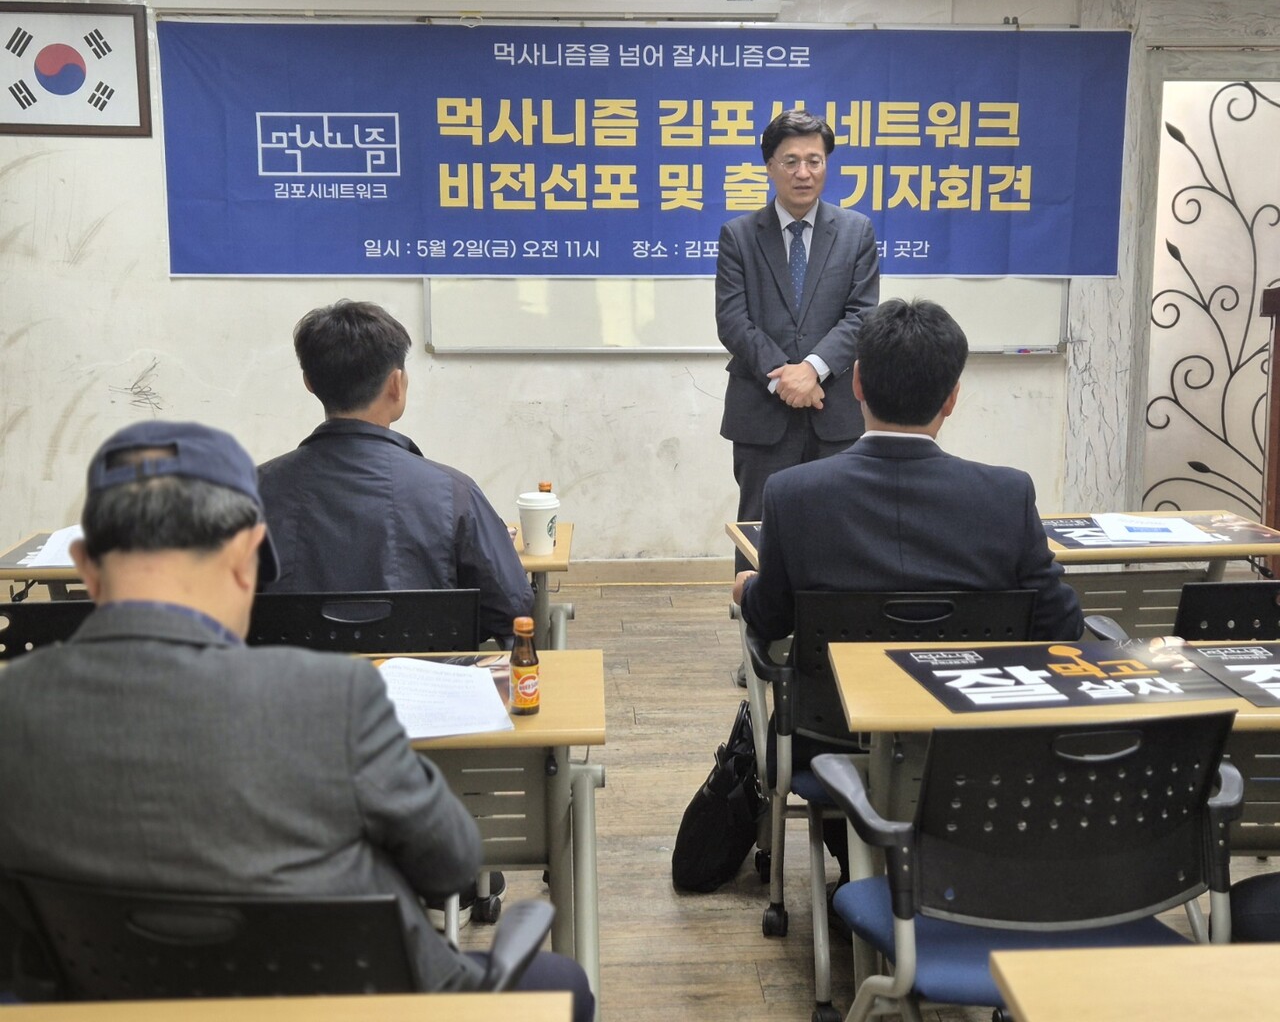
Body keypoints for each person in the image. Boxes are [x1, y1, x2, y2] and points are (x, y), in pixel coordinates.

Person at [0, 421, 593, 1021]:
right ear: (247, 557)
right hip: (361, 1006)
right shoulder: (334, 701)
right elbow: (452, 862)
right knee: (559, 982)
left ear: (84, 566)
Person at [732, 297, 1083, 891]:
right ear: (952, 397)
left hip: (833, 738)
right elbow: (1063, 626)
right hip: (976, 740)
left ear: (856, 384)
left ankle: (864, 878)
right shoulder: (1006, 496)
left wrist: (749, 591)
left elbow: (769, 621)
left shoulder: (793, 495)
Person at [258, 299, 533, 645]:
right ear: (395, 384)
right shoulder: (453, 494)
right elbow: (513, 609)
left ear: (309, 382)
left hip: (292, 680)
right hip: (425, 679)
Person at [716, 108, 881, 572]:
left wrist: (812, 369)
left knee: (840, 533)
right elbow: (732, 321)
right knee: (761, 536)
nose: (803, 172)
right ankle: (755, 617)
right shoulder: (738, 236)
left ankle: (832, 620)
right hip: (762, 414)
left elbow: (863, 315)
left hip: (835, 413)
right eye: (790, 161)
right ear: (770, 167)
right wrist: (784, 378)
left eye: (814, 160)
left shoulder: (856, 232)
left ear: (827, 164)